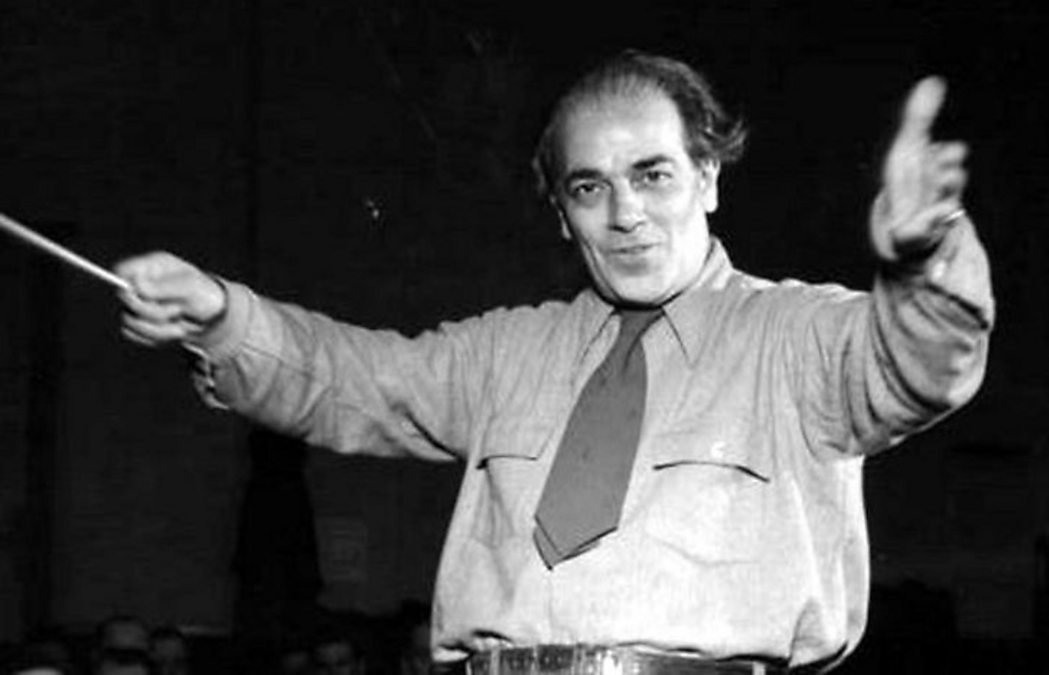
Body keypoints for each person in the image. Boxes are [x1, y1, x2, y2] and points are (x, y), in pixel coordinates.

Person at [114, 51, 993, 673]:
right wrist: (222, 317)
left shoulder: (798, 338)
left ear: (709, 178)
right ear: (562, 215)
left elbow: (919, 364)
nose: (625, 214)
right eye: (589, 186)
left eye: (653, 174)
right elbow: (351, 379)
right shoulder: (505, 352)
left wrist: (925, 258)